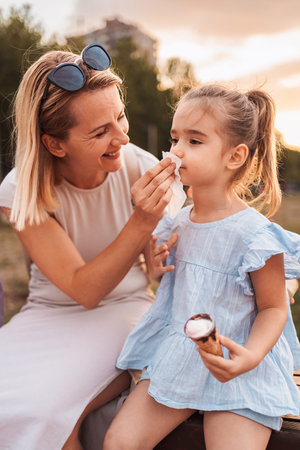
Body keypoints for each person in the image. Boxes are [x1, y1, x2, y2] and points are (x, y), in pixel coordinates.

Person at [103, 84, 300, 450]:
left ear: (235, 156)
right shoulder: (175, 221)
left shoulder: (255, 236)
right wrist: (155, 267)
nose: (176, 151)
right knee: (119, 442)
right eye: (175, 138)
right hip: (181, 356)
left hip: (239, 365)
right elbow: (169, 283)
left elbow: (274, 308)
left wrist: (252, 356)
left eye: (195, 141)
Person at [0, 43, 177, 450]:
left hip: (125, 311)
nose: (122, 136)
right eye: (100, 132)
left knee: (42, 415)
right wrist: (141, 222)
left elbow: (188, 237)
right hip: (47, 315)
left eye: (120, 116)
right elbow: (83, 288)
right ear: (55, 144)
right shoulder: (20, 191)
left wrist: (161, 255)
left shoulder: (137, 163)